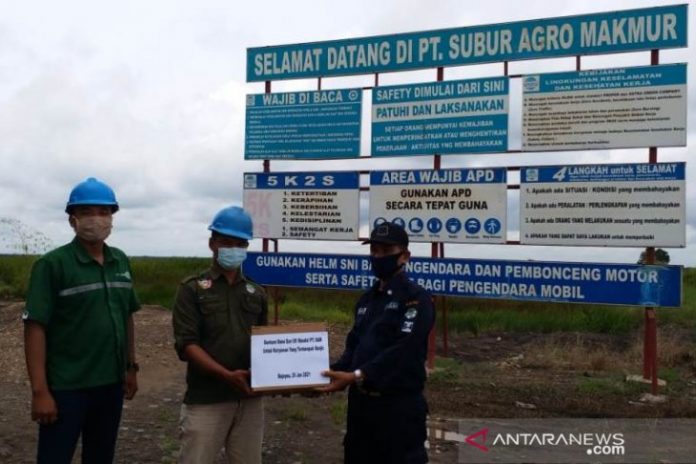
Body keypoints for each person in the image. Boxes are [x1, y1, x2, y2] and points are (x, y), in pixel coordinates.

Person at [23, 177, 140, 464]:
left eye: (104, 212)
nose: (96, 220)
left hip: (110, 385)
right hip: (66, 387)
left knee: (101, 456)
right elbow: (35, 327)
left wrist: (130, 366)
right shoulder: (52, 265)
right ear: (72, 220)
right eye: (87, 212)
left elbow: (127, 316)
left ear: (112, 218)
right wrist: (40, 391)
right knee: (55, 457)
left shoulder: (120, 261)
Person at [321, 221, 435, 464]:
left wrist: (357, 376)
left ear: (404, 256)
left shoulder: (416, 299)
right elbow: (353, 348)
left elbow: (403, 350)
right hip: (361, 408)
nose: (378, 257)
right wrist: (319, 376)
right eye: (374, 251)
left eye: (386, 251)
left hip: (398, 409)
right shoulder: (367, 300)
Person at [172, 205, 268, 464]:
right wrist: (225, 375)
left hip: (249, 400)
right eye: (226, 241)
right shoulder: (192, 290)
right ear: (212, 243)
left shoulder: (256, 293)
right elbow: (187, 344)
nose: (233, 248)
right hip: (206, 399)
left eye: (240, 242)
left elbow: (267, 346)